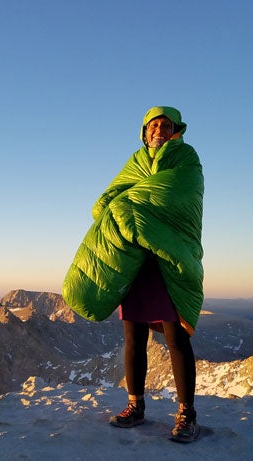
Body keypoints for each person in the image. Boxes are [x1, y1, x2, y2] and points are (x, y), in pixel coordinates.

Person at [62, 106, 204, 443]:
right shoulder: (136, 162)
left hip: (167, 257)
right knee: (134, 336)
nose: (159, 130)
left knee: (176, 337)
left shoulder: (186, 160)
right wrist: (123, 210)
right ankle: (135, 406)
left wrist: (130, 206)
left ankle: (187, 415)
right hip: (134, 259)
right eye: (153, 125)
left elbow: (177, 195)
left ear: (176, 130)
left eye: (166, 125)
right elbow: (108, 200)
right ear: (144, 131)